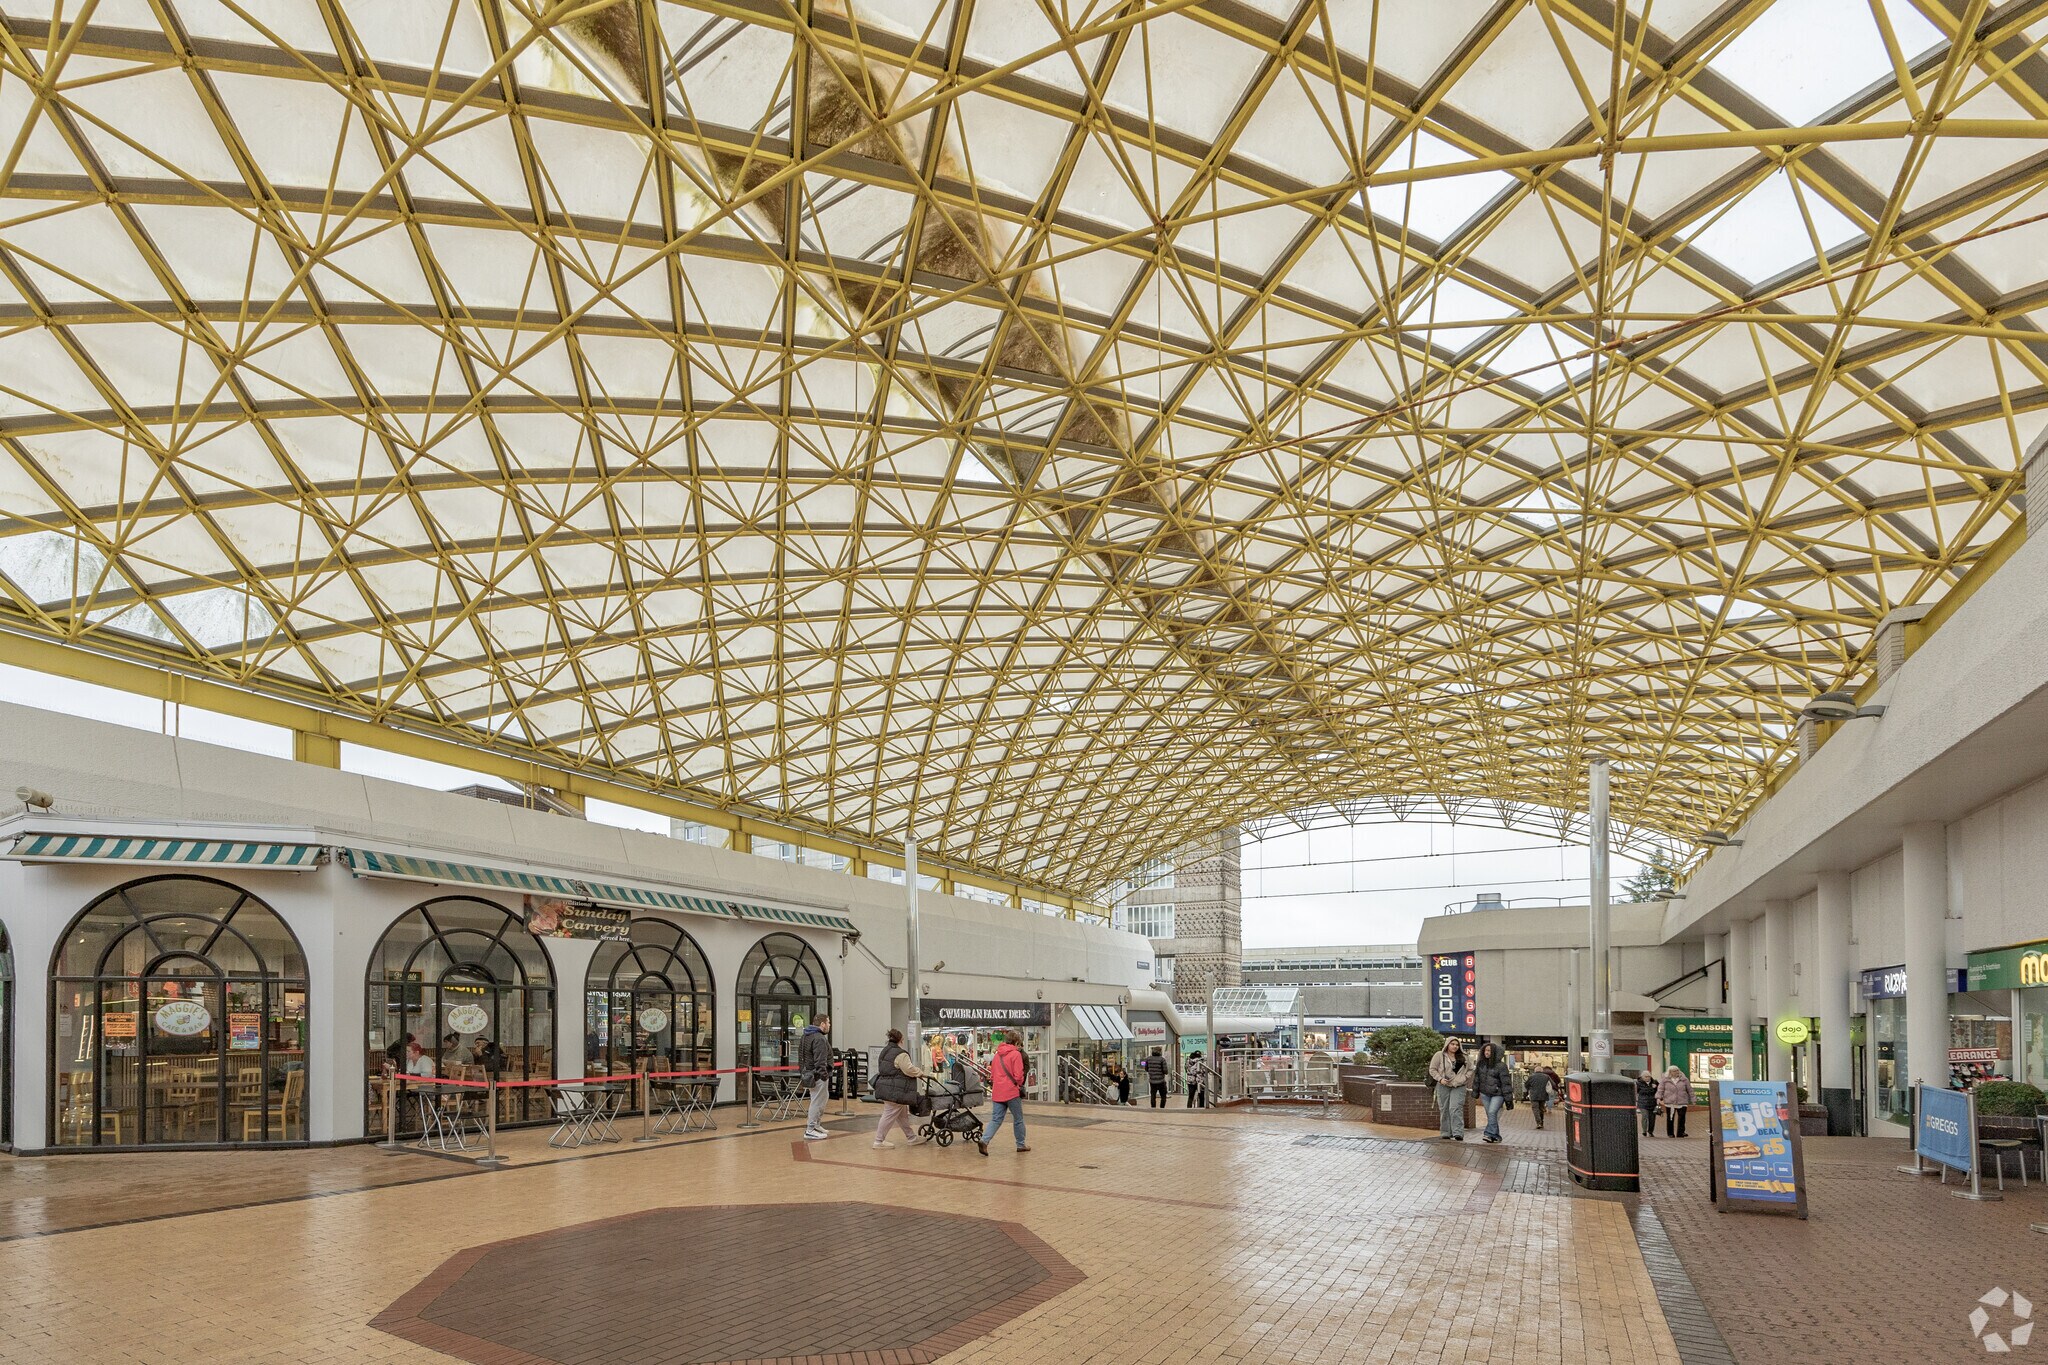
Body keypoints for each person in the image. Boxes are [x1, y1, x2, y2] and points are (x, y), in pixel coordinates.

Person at [871, 1028, 932, 1149]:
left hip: (886, 1086)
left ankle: (911, 1137)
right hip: (897, 1090)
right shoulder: (900, 1053)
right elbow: (908, 1069)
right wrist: (920, 1072)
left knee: (902, 1115)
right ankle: (878, 1141)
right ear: (900, 1040)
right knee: (889, 1114)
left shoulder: (885, 1051)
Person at [977, 1029, 1031, 1155]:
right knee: (1018, 1119)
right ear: (1016, 1042)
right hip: (1011, 1092)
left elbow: (993, 1074)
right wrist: (1019, 1083)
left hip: (998, 1091)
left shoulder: (997, 1055)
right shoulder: (1016, 1054)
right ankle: (1021, 1144)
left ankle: (984, 1140)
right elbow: (1018, 1075)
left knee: (996, 1119)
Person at [1427, 1036, 1474, 1141]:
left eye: (1457, 1045)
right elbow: (1432, 1069)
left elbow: (1471, 1069)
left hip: (1459, 1085)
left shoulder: (1464, 1057)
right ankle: (1446, 1132)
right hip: (1443, 1085)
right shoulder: (1439, 1055)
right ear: (1447, 1044)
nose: (1455, 1046)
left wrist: (1464, 1078)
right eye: (1452, 1044)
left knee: (1455, 1108)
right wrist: (1440, 1079)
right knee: (1444, 1109)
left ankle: (1458, 1133)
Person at [799, 1014, 834, 1140]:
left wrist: (803, 1072)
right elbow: (820, 1060)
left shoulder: (805, 1036)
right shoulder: (819, 1038)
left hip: (809, 1074)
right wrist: (824, 1075)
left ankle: (817, 1125)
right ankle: (810, 1129)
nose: (829, 1025)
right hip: (818, 1076)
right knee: (817, 1101)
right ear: (822, 1024)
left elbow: (801, 1057)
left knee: (821, 1100)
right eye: (828, 1022)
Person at [1474, 1041, 1514, 1143]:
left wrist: (1509, 1099)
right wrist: (1475, 1092)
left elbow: (1506, 1083)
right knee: (1490, 1114)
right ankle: (1496, 1136)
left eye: (1490, 1051)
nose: (1487, 1052)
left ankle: (1489, 1133)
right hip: (1484, 1093)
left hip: (1498, 1094)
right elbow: (1477, 1079)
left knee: (1492, 1112)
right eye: (1486, 1050)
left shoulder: (1501, 1066)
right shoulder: (1481, 1064)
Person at [1657, 1065, 1691, 1138]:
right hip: (1670, 1102)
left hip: (1682, 1101)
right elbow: (1660, 1089)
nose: (1676, 1072)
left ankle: (1680, 1133)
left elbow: (1690, 1090)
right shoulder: (1665, 1080)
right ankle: (1670, 1133)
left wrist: (1693, 1099)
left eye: (1677, 1070)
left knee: (1682, 1118)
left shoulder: (1684, 1079)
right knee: (1670, 1118)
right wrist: (1658, 1097)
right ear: (1670, 1072)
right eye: (1674, 1071)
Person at [1523, 1064, 1553, 1130]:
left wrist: (1529, 1089)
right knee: (1541, 1109)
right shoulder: (1546, 1076)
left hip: (1534, 1095)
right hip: (1543, 1095)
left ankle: (1538, 1123)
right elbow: (1552, 1084)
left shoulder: (1531, 1077)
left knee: (1535, 1109)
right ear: (1542, 1071)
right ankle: (1541, 1122)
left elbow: (1526, 1085)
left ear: (1535, 1071)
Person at [1635, 1067, 1660, 1137]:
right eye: (1646, 1077)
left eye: (1649, 1076)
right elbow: (1636, 1092)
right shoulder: (1639, 1083)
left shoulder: (1655, 1082)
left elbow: (1659, 1091)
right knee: (1645, 1116)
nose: (1647, 1078)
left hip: (1652, 1103)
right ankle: (1644, 1131)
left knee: (1652, 1118)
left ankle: (1651, 1131)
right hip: (1643, 1103)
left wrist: (1656, 1087)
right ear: (1642, 1077)